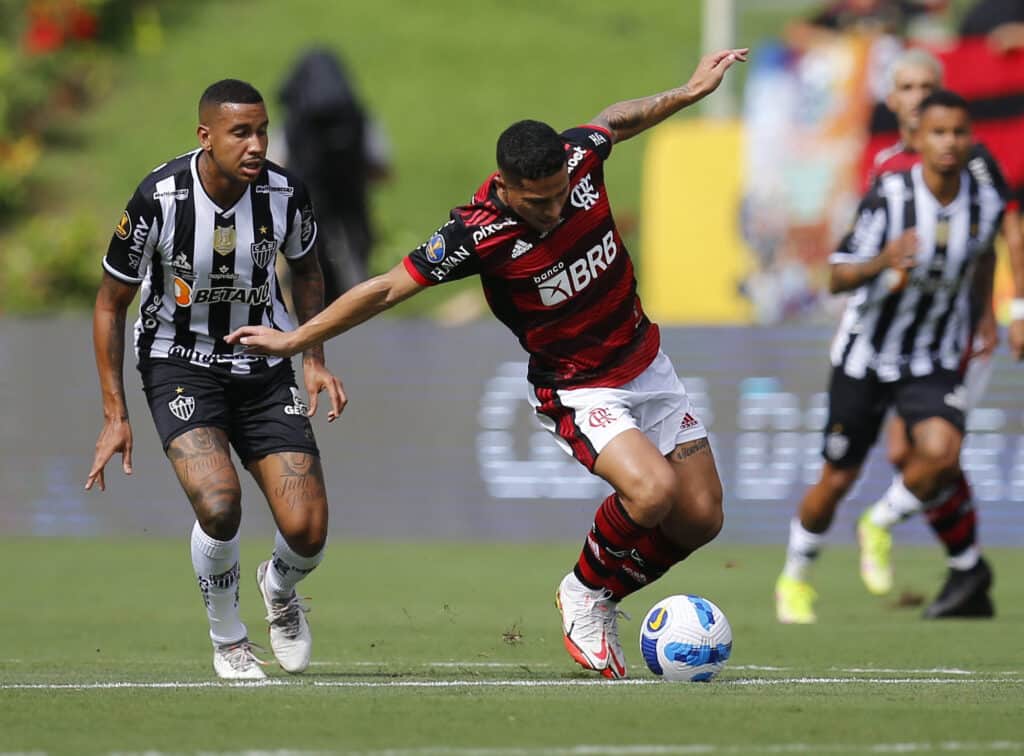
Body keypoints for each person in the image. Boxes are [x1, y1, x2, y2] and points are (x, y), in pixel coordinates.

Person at [226, 48, 748, 679]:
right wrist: (296, 339)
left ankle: (603, 593)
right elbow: (388, 287)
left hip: (646, 362)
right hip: (578, 388)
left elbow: (616, 120)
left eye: (560, 197)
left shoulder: (578, 161)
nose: (554, 212)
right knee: (654, 492)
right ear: (504, 186)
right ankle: (583, 593)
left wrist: (689, 92)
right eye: (538, 202)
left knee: (702, 517)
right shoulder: (477, 233)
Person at [85, 79, 346, 680]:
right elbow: (109, 303)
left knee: (307, 532)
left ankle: (278, 587)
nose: (256, 144)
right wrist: (115, 415)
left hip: (264, 363)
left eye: (262, 131)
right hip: (179, 363)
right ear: (206, 137)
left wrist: (313, 356)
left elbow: (308, 272)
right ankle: (228, 636)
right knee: (220, 503)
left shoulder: (286, 193)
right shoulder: (160, 197)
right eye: (240, 133)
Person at [774, 90, 1005, 624]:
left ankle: (878, 522)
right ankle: (795, 577)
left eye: (959, 133)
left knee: (943, 454)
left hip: (932, 355)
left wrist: (987, 313)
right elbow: (836, 275)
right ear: (919, 139)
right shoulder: (891, 197)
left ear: (970, 139)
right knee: (835, 479)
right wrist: (882, 260)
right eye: (939, 133)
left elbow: (986, 251)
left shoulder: (985, 199)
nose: (949, 143)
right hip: (867, 355)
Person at [855, 50, 1023, 609]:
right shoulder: (884, 164)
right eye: (907, 87)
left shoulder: (970, 161)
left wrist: (1009, 310)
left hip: (959, 332)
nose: (918, 96)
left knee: (935, 449)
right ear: (892, 99)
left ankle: (901, 533)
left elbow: (1004, 233)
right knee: (911, 454)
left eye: (928, 86)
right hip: (900, 334)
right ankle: (967, 569)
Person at [277, 48, 392, 300]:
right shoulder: (358, 117)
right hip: (352, 201)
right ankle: (360, 303)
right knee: (356, 256)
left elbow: (276, 164)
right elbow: (382, 169)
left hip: (306, 203)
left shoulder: (294, 121)